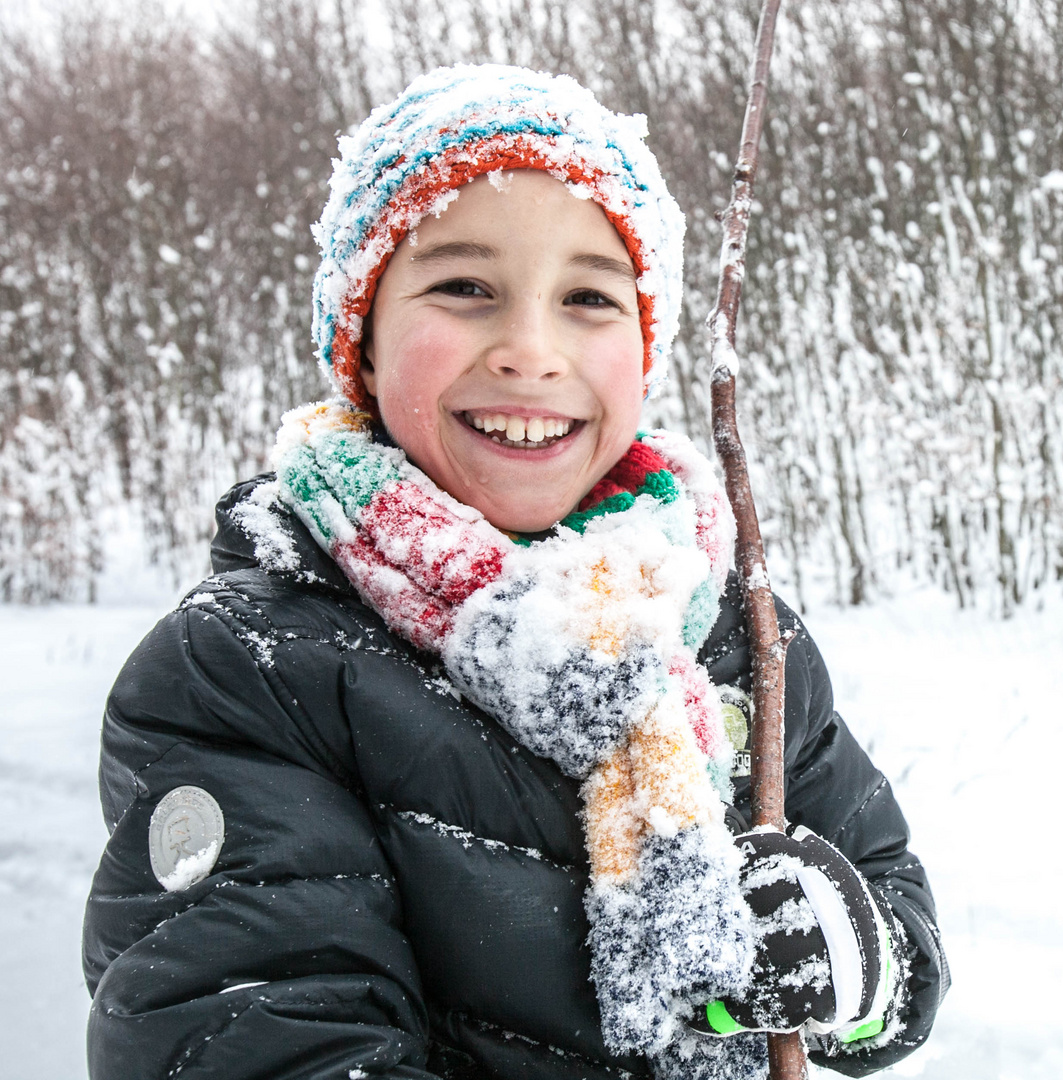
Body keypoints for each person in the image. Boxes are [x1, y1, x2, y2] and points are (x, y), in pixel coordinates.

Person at [81, 65, 947, 1080]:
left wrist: (855, 962)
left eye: (588, 297)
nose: (530, 351)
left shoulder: (726, 629)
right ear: (358, 344)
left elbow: (895, 928)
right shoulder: (253, 670)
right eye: (464, 288)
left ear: (645, 349)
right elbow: (261, 1041)